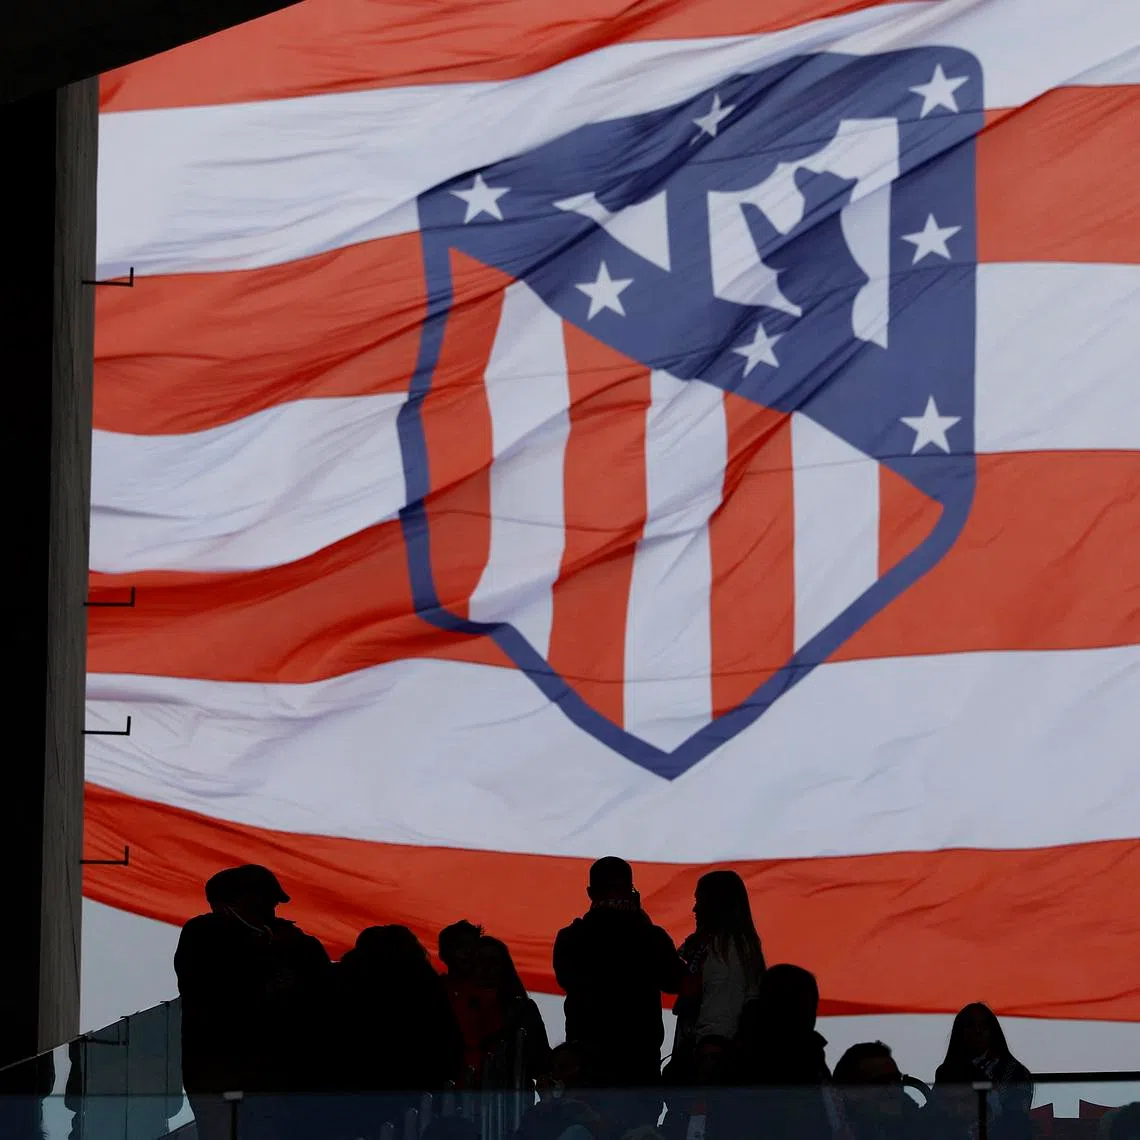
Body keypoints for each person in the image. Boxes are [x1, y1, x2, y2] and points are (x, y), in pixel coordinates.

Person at [174, 866, 329, 1139]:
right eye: (264, 898)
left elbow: (322, 990)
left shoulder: (296, 943)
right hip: (224, 1078)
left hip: (278, 1079)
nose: (272, 907)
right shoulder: (203, 936)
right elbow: (211, 991)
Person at [554, 857, 683, 1094]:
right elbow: (675, 981)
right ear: (630, 890)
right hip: (639, 1064)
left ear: (590, 893)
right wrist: (639, 919)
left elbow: (566, 980)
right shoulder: (649, 936)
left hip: (586, 1065)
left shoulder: (571, 938)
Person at [325, 925, 463, 1132]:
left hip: (347, 1087)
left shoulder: (340, 980)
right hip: (405, 1090)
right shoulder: (424, 984)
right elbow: (446, 1042)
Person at [670, 871, 765, 1083]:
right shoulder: (714, 949)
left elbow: (719, 1018)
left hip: (711, 1070)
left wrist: (706, 1060)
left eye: (700, 901)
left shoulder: (726, 951)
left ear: (718, 905)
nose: (695, 909)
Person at [931, 1004, 1032, 1140]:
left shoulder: (1016, 1072)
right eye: (970, 1025)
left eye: (984, 1025)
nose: (977, 1031)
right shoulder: (945, 1072)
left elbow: (1017, 1125)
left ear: (993, 1030)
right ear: (960, 1032)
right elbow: (932, 1116)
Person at [474, 936, 552, 1088]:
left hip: (510, 1098)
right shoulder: (451, 1004)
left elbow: (541, 1061)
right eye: (481, 959)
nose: (486, 966)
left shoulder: (522, 1009)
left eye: (493, 961)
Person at [832, 1042, 922, 1140]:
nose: (894, 1089)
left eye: (897, 1080)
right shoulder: (829, 1132)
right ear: (851, 1091)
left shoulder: (917, 1124)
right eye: (882, 1082)